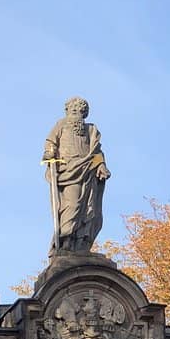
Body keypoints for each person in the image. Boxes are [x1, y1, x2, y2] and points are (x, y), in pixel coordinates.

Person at [42, 97, 111, 254]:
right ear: (67, 111)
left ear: (84, 113)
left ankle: (80, 243)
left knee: (89, 208)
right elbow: (51, 142)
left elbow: (96, 152)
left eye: (79, 110)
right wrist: (49, 153)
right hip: (69, 170)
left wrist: (101, 165)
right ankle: (65, 240)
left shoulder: (91, 130)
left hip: (88, 171)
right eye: (72, 109)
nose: (75, 112)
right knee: (72, 205)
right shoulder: (61, 125)